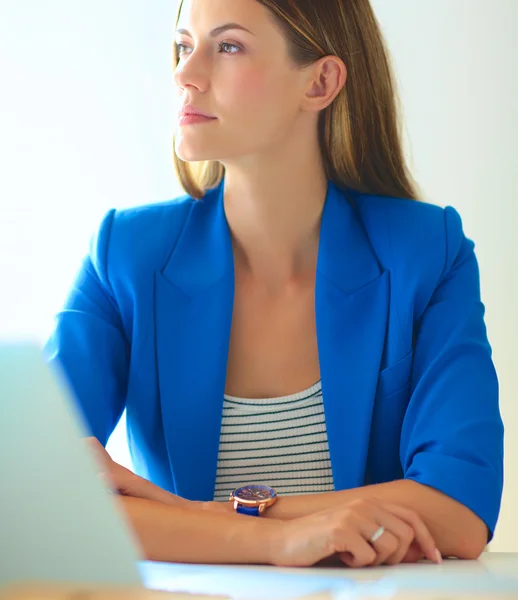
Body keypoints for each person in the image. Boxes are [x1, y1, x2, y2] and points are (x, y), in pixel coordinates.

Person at [45, 0, 503, 568]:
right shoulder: (127, 254)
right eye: (184, 46)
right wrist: (276, 540)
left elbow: (459, 510)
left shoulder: (427, 252)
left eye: (228, 46)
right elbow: (36, 490)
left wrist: (192, 512)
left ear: (321, 81)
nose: (184, 74)